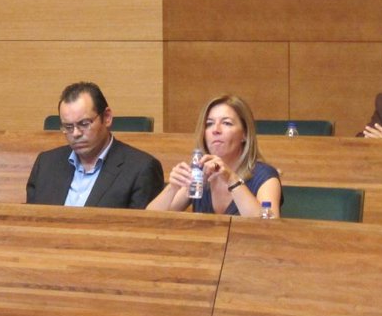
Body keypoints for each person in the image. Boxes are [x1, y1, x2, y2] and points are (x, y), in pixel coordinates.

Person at [25, 81, 164, 209]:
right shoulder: (46, 164)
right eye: (68, 127)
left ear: (107, 117)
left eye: (84, 124)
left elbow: (141, 225)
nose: (76, 133)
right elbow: (30, 220)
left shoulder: (141, 169)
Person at [147, 94, 282, 216]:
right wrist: (173, 188)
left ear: (245, 134)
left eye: (226, 123)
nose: (215, 130)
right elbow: (149, 219)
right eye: (209, 124)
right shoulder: (200, 172)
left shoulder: (264, 176)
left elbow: (268, 226)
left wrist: (232, 179)